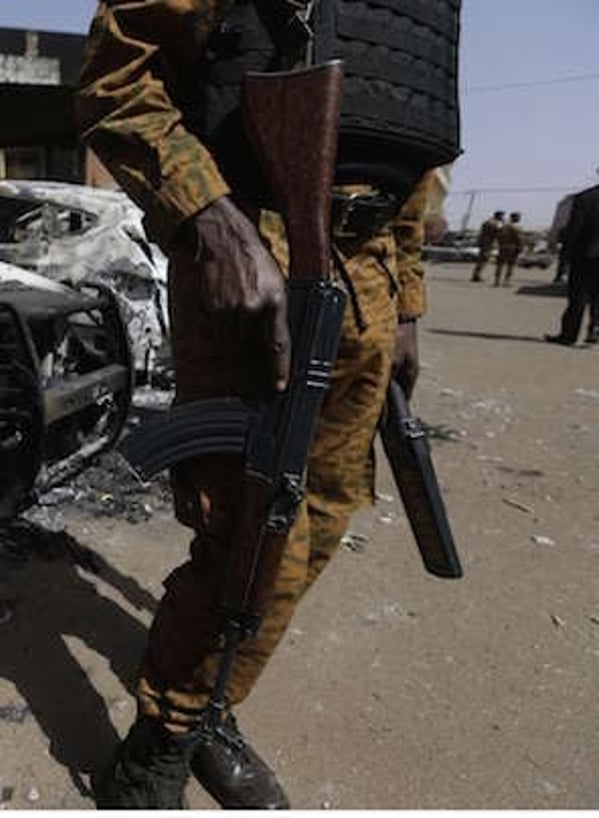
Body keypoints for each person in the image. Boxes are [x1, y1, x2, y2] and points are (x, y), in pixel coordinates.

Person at [76, 0, 458, 809]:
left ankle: (210, 703)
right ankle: (161, 742)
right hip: (255, 257)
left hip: (370, 271)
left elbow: (411, 152)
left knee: (320, 522)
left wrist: (409, 303)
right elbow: (116, 85)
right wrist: (211, 224)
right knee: (248, 536)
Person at [546, 183, 599, 346]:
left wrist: (566, 255)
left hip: (585, 254)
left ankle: (569, 335)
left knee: (578, 296)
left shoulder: (585, 197)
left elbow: (575, 227)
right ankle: (595, 329)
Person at [473, 210, 505, 282]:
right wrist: (503, 223)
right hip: (489, 243)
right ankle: (477, 276)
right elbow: (500, 231)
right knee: (484, 260)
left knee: (481, 259)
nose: (503, 217)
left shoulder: (487, 222)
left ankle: (476, 274)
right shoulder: (496, 223)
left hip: (484, 242)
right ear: (499, 216)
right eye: (502, 216)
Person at [494, 212, 524, 287]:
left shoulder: (504, 226)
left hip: (503, 247)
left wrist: (501, 244)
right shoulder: (517, 227)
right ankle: (506, 282)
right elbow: (519, 239)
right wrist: (520, 247)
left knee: (500, 265)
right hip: (512, 248)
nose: (519, 219)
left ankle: (497, 281)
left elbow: (498, 236)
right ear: (515, 218)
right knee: (510, 265)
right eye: (518, 217)